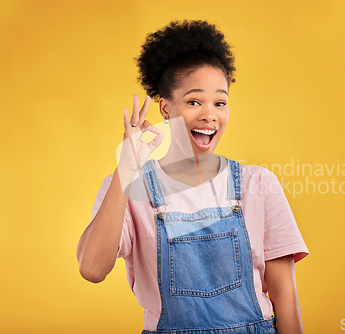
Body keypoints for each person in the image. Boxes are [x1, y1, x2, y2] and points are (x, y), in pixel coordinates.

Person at [76, 19, 309, 334]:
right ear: (166, 109)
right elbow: (92, 269)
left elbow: (285, 294)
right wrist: (126, 167)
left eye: (220, 102)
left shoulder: (258, 183)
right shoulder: (131, 188)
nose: (210, 114)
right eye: (194, 101)